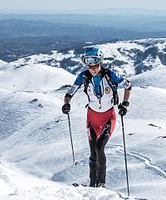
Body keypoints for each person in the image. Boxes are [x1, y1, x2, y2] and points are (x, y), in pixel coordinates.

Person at [62, 46, 132, 188]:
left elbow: (128, 86)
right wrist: (66, 104)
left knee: (100, 147)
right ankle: (92, 184)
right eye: (90, 66)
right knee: (93, 152)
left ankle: (101, 183)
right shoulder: (83, 76)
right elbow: (69, 93)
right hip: (92, 118)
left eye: (95, 65)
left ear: (101, 62)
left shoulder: (110, 75)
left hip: (108, 118)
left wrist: (125, 104)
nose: (93, 69)